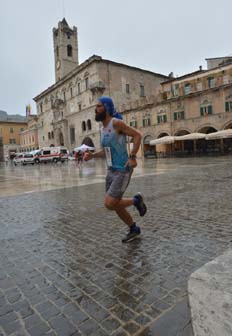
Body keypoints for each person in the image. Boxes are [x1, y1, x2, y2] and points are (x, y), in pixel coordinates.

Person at [84, 96, 147, 243]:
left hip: (123, 169)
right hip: (111, 170)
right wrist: (92, 155)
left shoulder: (116, 123)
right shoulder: (103, 129)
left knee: (110, 203)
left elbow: (138, 135)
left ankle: (136, 200)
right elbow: (107, 151)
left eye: (99, 106)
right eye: (96, 106)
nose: (96, 109)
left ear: (106, 108)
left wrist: (132, 156)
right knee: (115, 205)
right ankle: (133, 229)